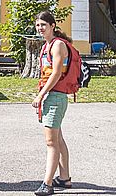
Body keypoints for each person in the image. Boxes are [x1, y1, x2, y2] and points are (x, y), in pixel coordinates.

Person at [32, 11, 73, 195]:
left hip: (55, 96)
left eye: (43, 25)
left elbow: (56, 73)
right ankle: (64, 178)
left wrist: (40, 95)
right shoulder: (47, 45)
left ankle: (47, 184)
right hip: (53, 95)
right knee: (58, 139)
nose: (40, 28)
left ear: (52, 26)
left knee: (51, 143)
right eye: (38, 25)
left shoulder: (57, 45)